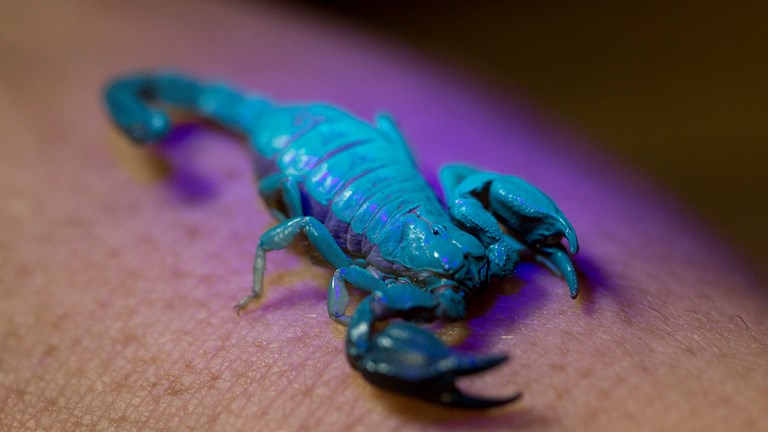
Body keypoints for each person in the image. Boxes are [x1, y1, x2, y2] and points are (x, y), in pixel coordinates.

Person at [1, 0, 765, 430]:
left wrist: (545, 241)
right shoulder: (389, 283)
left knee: (427, 167)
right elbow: (330, 281)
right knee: (297, 223)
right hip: (303, 152)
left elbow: (472, 180)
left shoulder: (466, 234)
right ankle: (165, 119)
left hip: (363, 152)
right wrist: (271, 288)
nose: (473, 274)